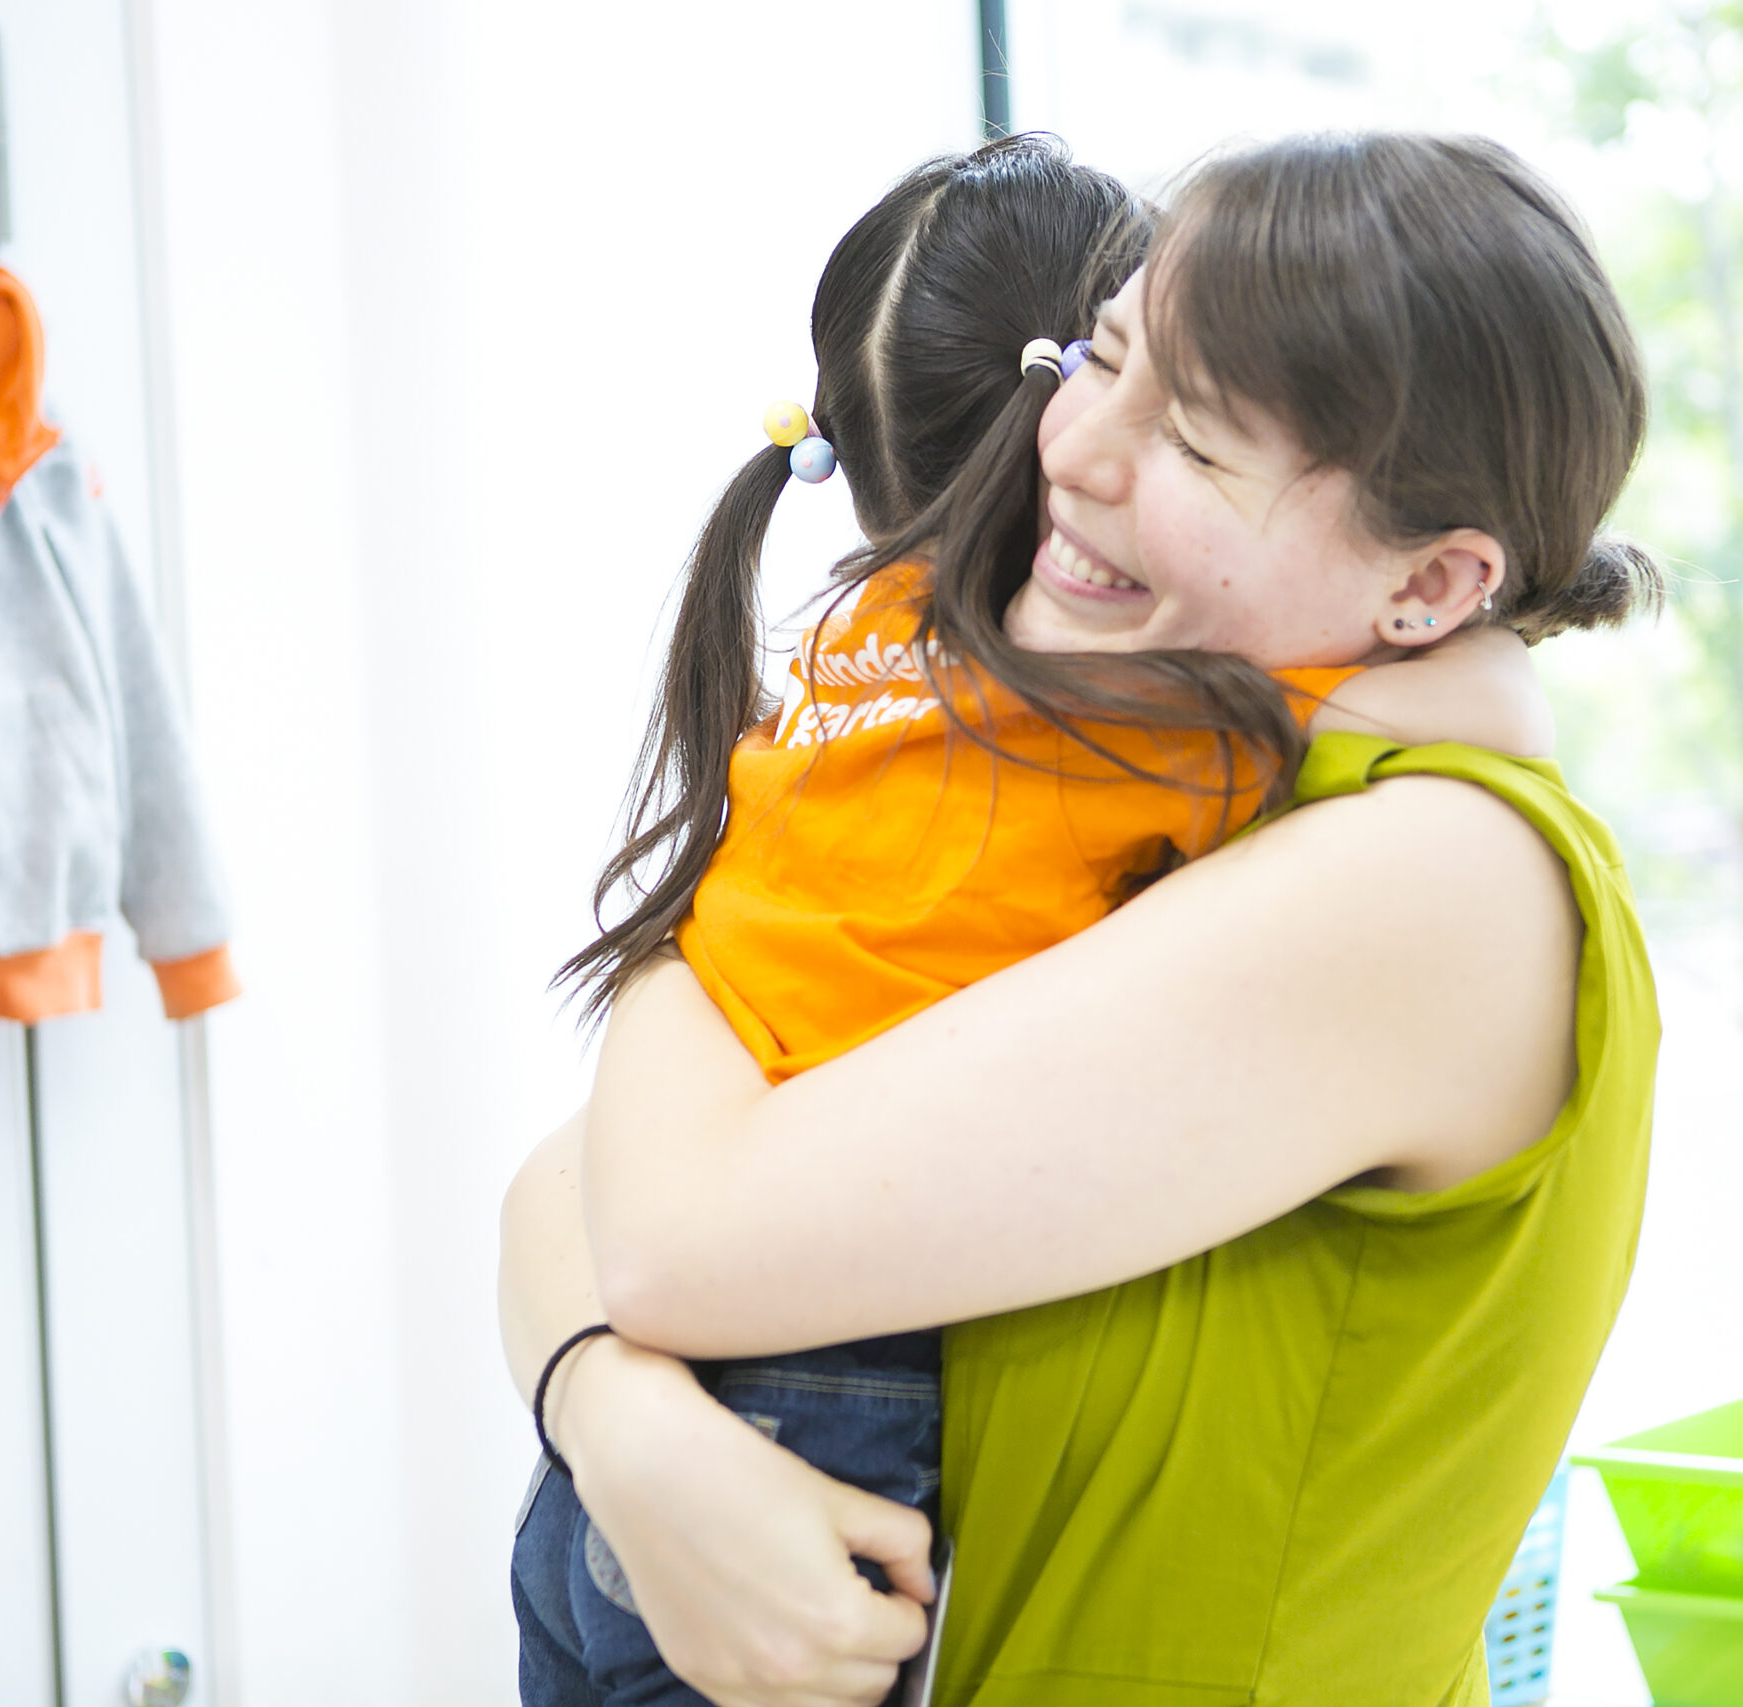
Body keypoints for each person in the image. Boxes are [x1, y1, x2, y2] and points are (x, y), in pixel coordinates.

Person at [504, 130, 1662, 1707]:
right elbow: (566, 1184)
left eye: (1195, 442)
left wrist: (721, 913)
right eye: (1100, 356)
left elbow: (661, 1223)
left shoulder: (1431, 879)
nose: (1074, 451)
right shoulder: (1149, 773)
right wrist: (621, 1429)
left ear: (1431, 585)